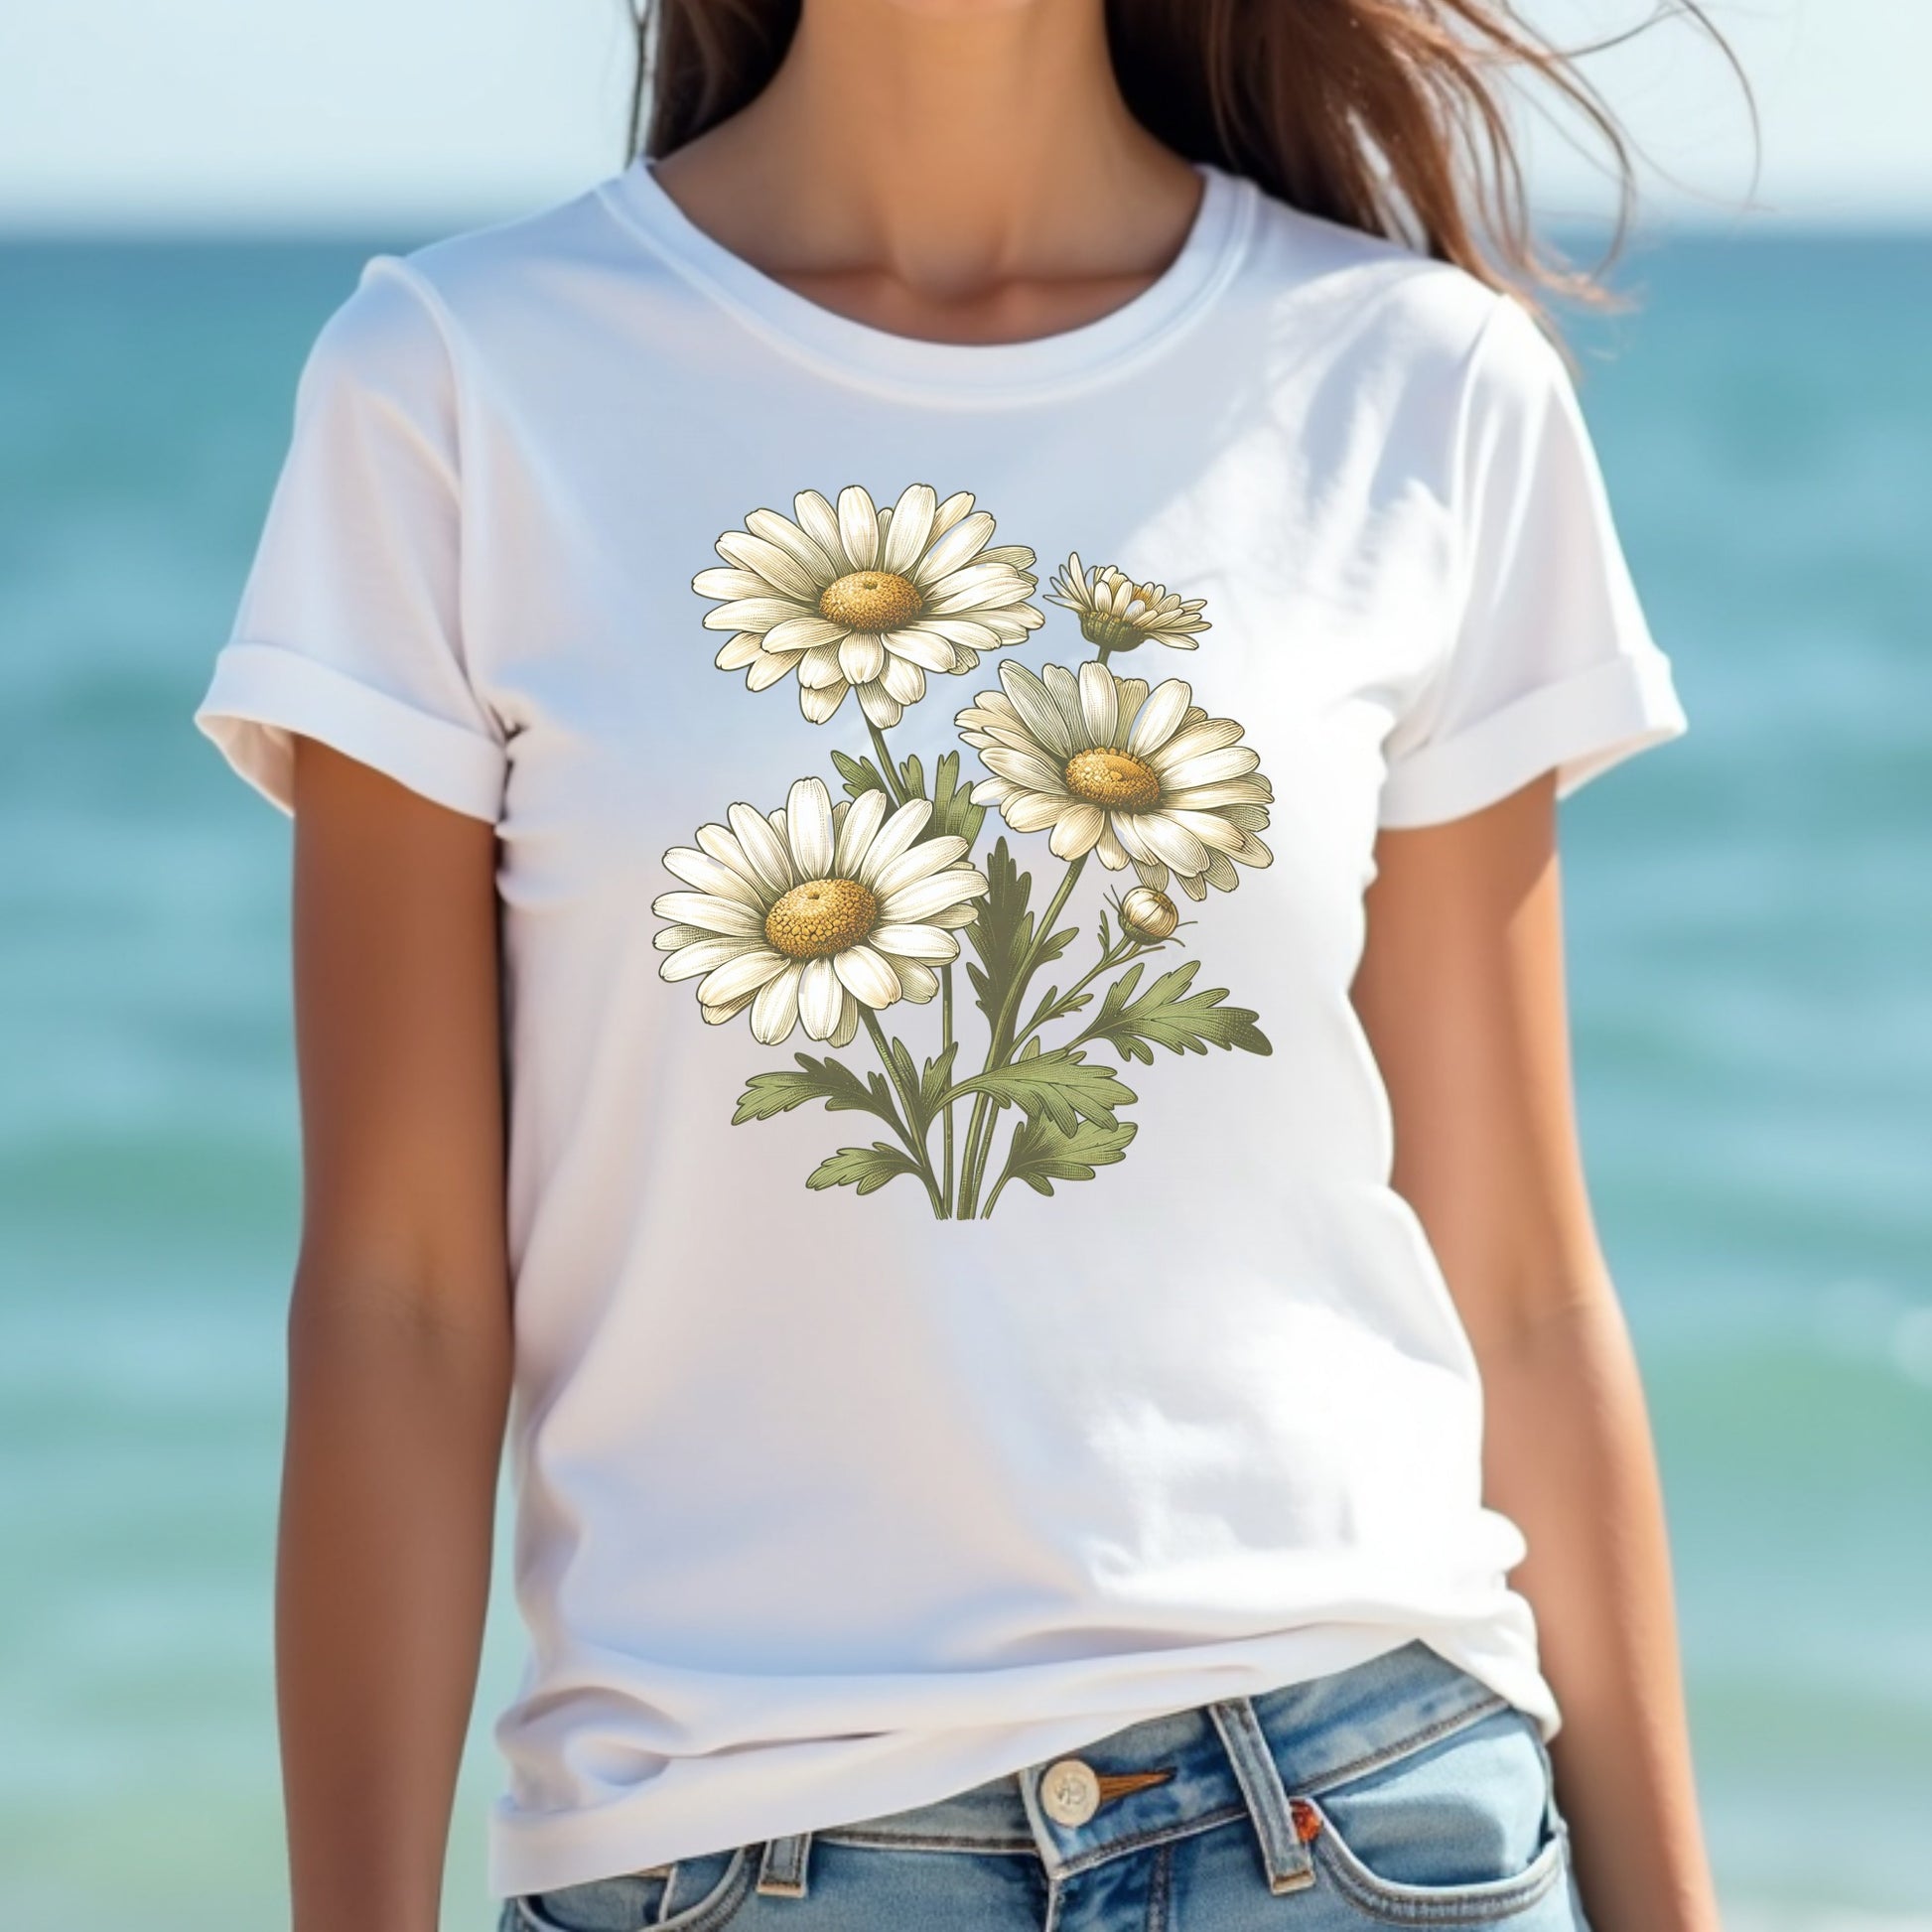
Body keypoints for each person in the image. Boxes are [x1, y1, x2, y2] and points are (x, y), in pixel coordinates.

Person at [191, 2, 1732, 1927]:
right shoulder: (454, 383)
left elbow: (1518, 1282)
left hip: (1362, 1806)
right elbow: (400, 1298)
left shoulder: (1422, 383)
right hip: (725, 1846)